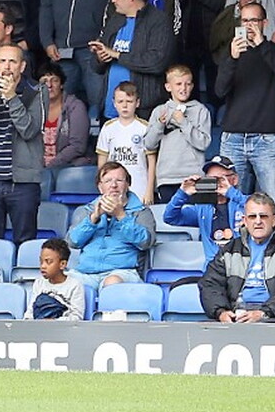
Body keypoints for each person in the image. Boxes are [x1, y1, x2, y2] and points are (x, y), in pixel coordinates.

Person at [215, 1, 275, 208]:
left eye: (254, 20)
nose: (249, 25)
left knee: (274, 204)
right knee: (230, 203)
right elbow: (219, 90)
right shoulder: (232, 53)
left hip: (266, 139)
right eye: (245, 21)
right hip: (233, 138)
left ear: (264, 23)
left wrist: (262, 45)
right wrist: (232, 59)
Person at [198, 192, 275, 323]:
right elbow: (210, 284)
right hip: (236, 315)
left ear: (274, 220)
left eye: (263, 216)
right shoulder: (229, 250)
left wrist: (264, 313)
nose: (258, 221)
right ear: (245, 221)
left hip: (274, 317)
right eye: (252, 216)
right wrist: (221, 312)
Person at [0, 43, 44, 243]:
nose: (7, 66)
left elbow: (29, 130)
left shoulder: (37, 92)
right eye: (2, 61)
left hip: (23, 183)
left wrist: (11, 97)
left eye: (13, 61)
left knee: (26, 241)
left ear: (22, 66)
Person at [90, 0, 175, 122]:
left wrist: (117, 55)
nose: (113, 0)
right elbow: (96, 67)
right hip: (111, 109)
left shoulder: (158, 21)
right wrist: (100, 57)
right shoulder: (115, 19)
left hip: (143, 111)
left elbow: (157, 62)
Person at [66, 161, 156, 290]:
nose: (114, 185)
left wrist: (121, 216)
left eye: (119, 180)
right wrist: (93, 218)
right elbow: (73, 242)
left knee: (112, 283)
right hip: (85, 273)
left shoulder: (141, 211)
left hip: (122, 272)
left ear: (127, 185)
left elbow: (145, 242)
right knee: (60, 282)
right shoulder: (86, 210)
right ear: (100, 187)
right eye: (108, 181)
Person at [143, 63, 210, 203]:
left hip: (194, 177)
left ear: (192, 86)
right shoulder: (159, 111)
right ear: (168, 87)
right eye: (178, 84)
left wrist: (183, 122)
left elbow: (203, 143)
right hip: (167, 178)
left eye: (187, 84)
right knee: (170, 215)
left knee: (193, 215)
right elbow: (149, 144)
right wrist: (160, 125)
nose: (183, 88)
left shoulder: (201, 110)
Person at [163, 156, 249, 262]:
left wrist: (231, 193)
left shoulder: (243, 203)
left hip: (241, 263)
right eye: (210, 179)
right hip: (213, 266)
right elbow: (170, 217)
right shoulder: (202, 208)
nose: (216, 183)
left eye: (220, 179)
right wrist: (182, 193)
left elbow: (260, 209)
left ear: (234, 179)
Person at [95, 82, 154, 205]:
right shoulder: (108, 128)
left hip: (140, 187)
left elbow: (151, 162)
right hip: (113, 189)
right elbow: (102, 162)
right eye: (120, 101)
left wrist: (149, 190)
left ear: (137, 103)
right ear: (114, 103)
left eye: (129, 101)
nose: (125, 106)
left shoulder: (145, 128)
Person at [36, 61, 91, 171]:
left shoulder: (75, 106)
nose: (49, 85)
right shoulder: (33, 107)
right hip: (37, 166)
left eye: (54, 80)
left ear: (61, 84)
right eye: (44, 81)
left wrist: (51, 165)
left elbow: (78, 146)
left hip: (67, 166)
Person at [26, 238, 84, 320]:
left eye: (48, 262)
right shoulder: (39, 283)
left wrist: (54, 322)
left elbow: (77, 317)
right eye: (41, 261)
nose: (43, 266)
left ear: (62, 264)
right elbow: (30, 311)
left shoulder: (75, 285)